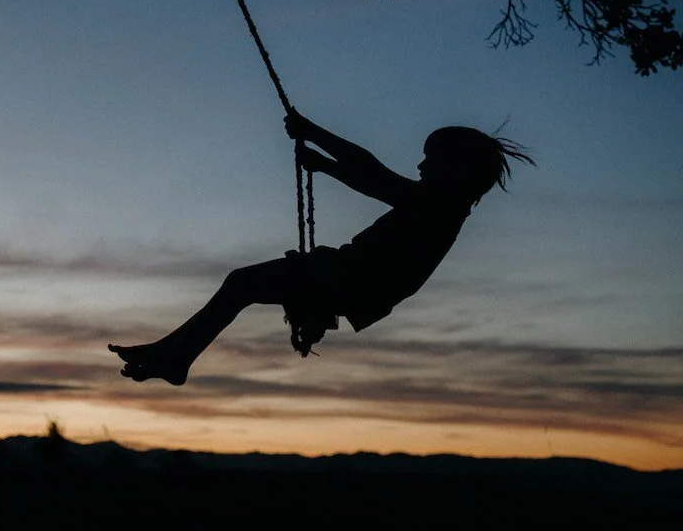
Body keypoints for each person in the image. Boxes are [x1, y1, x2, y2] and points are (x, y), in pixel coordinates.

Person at [108, 110, 534, 385]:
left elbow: (373, 175)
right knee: (240, 285)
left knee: (240, 284)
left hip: (351, 280)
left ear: (457, 169)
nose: (421, 165)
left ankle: (175, 356)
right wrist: (323, 163)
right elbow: (375, 178)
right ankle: (173, 355)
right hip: (348, 278)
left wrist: (315, 137)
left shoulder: (441, 205)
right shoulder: (440, 204)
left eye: (431, 159)